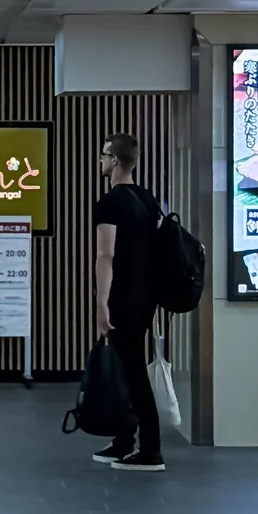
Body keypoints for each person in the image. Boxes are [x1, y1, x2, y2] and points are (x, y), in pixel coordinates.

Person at [93, 132, 165, 473]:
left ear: (116, 160)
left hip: (122, 297)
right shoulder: (147, 199)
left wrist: (101, 302)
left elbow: (106, 254)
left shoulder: (111, 202)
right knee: (127, 369)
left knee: (133, 372)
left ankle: (150, 450)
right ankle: (124, 441)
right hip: (146, 296)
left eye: (105, 155)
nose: (101, 161)